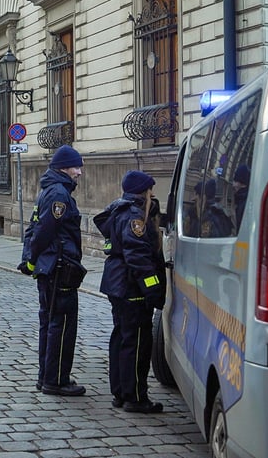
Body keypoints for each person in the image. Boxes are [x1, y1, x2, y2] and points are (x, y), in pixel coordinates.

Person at [95, 170, 166, 413]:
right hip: (130, 287)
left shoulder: (120, 209)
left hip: (118, 284)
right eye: (150, 190)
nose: (152, 194)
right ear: (143, 191)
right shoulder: (134, 216)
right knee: (136, 343)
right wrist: (153, 288)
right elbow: (137, 257)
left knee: (122, 339)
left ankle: (121, 392)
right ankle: (135, 397)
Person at [19, 145, 86, 396]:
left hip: (51, 267)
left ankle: (46, 376)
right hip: (59, 267)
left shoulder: (49, 190)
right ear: (63, 168)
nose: (79, 172)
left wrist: (30, 259)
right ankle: (56, 380)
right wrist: (31, 258)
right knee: (61, 325)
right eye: (76, 167)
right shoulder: (59, 194)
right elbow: (43, 231)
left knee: (49, 323)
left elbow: (33, 229)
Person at [232, 164, 250, 230]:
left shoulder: (244, 203)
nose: (233, 185)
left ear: (242, 184)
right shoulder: (241, 199)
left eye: (236, 181)